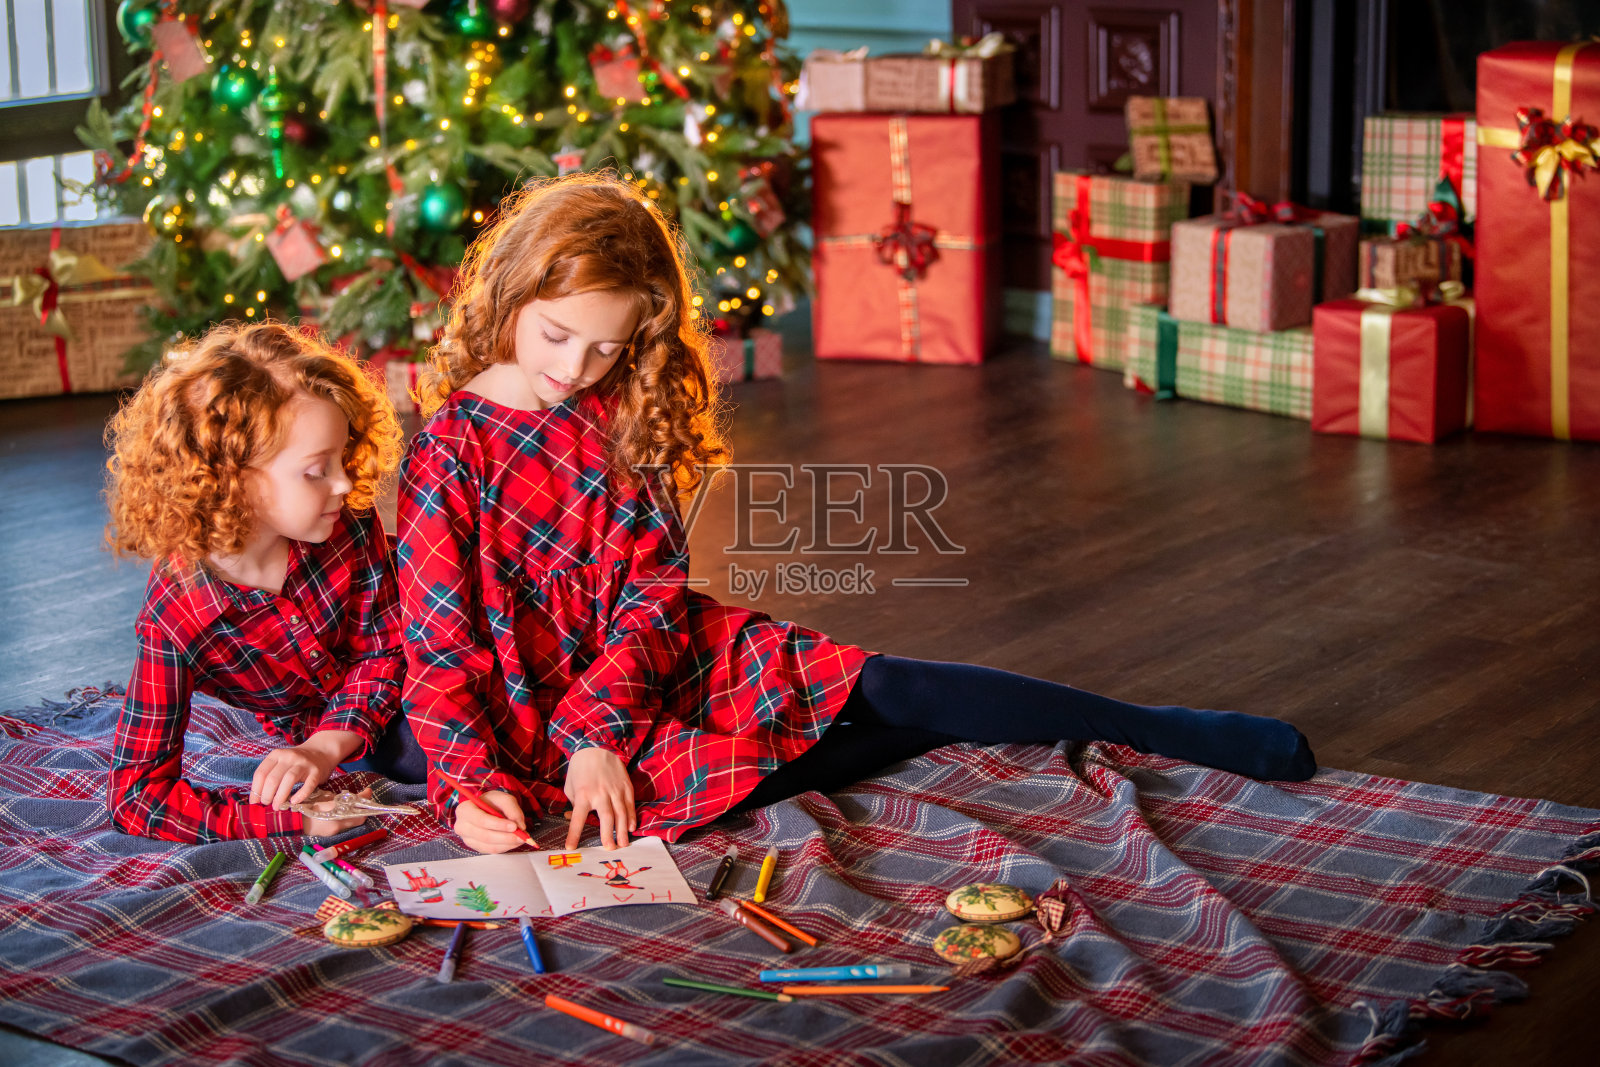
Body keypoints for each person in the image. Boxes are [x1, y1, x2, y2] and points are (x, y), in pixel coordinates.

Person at [397, 173, 1317, 856]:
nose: (577, 367)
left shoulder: (612, 409)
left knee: (887, 683)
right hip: (529, 715)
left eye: (605, 348)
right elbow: (440, 651)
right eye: (558, 336)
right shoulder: (449, 448)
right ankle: (921, 738)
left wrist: (599, 725)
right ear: (513, 292)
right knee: (766, 767)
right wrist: (473, 785)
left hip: (662, 656)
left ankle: (1162, 725)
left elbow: (653, 591)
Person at [104, 322, 424, 843]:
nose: (345, 482)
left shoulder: (349, 523)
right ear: (230, 478)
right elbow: (138, 796)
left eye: (342, 458)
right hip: (372, 731)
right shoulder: (177, 619)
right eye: (317, 469)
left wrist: (324, 747)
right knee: (434, 751)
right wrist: (293, 817)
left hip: (424, 665)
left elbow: (387, 651)